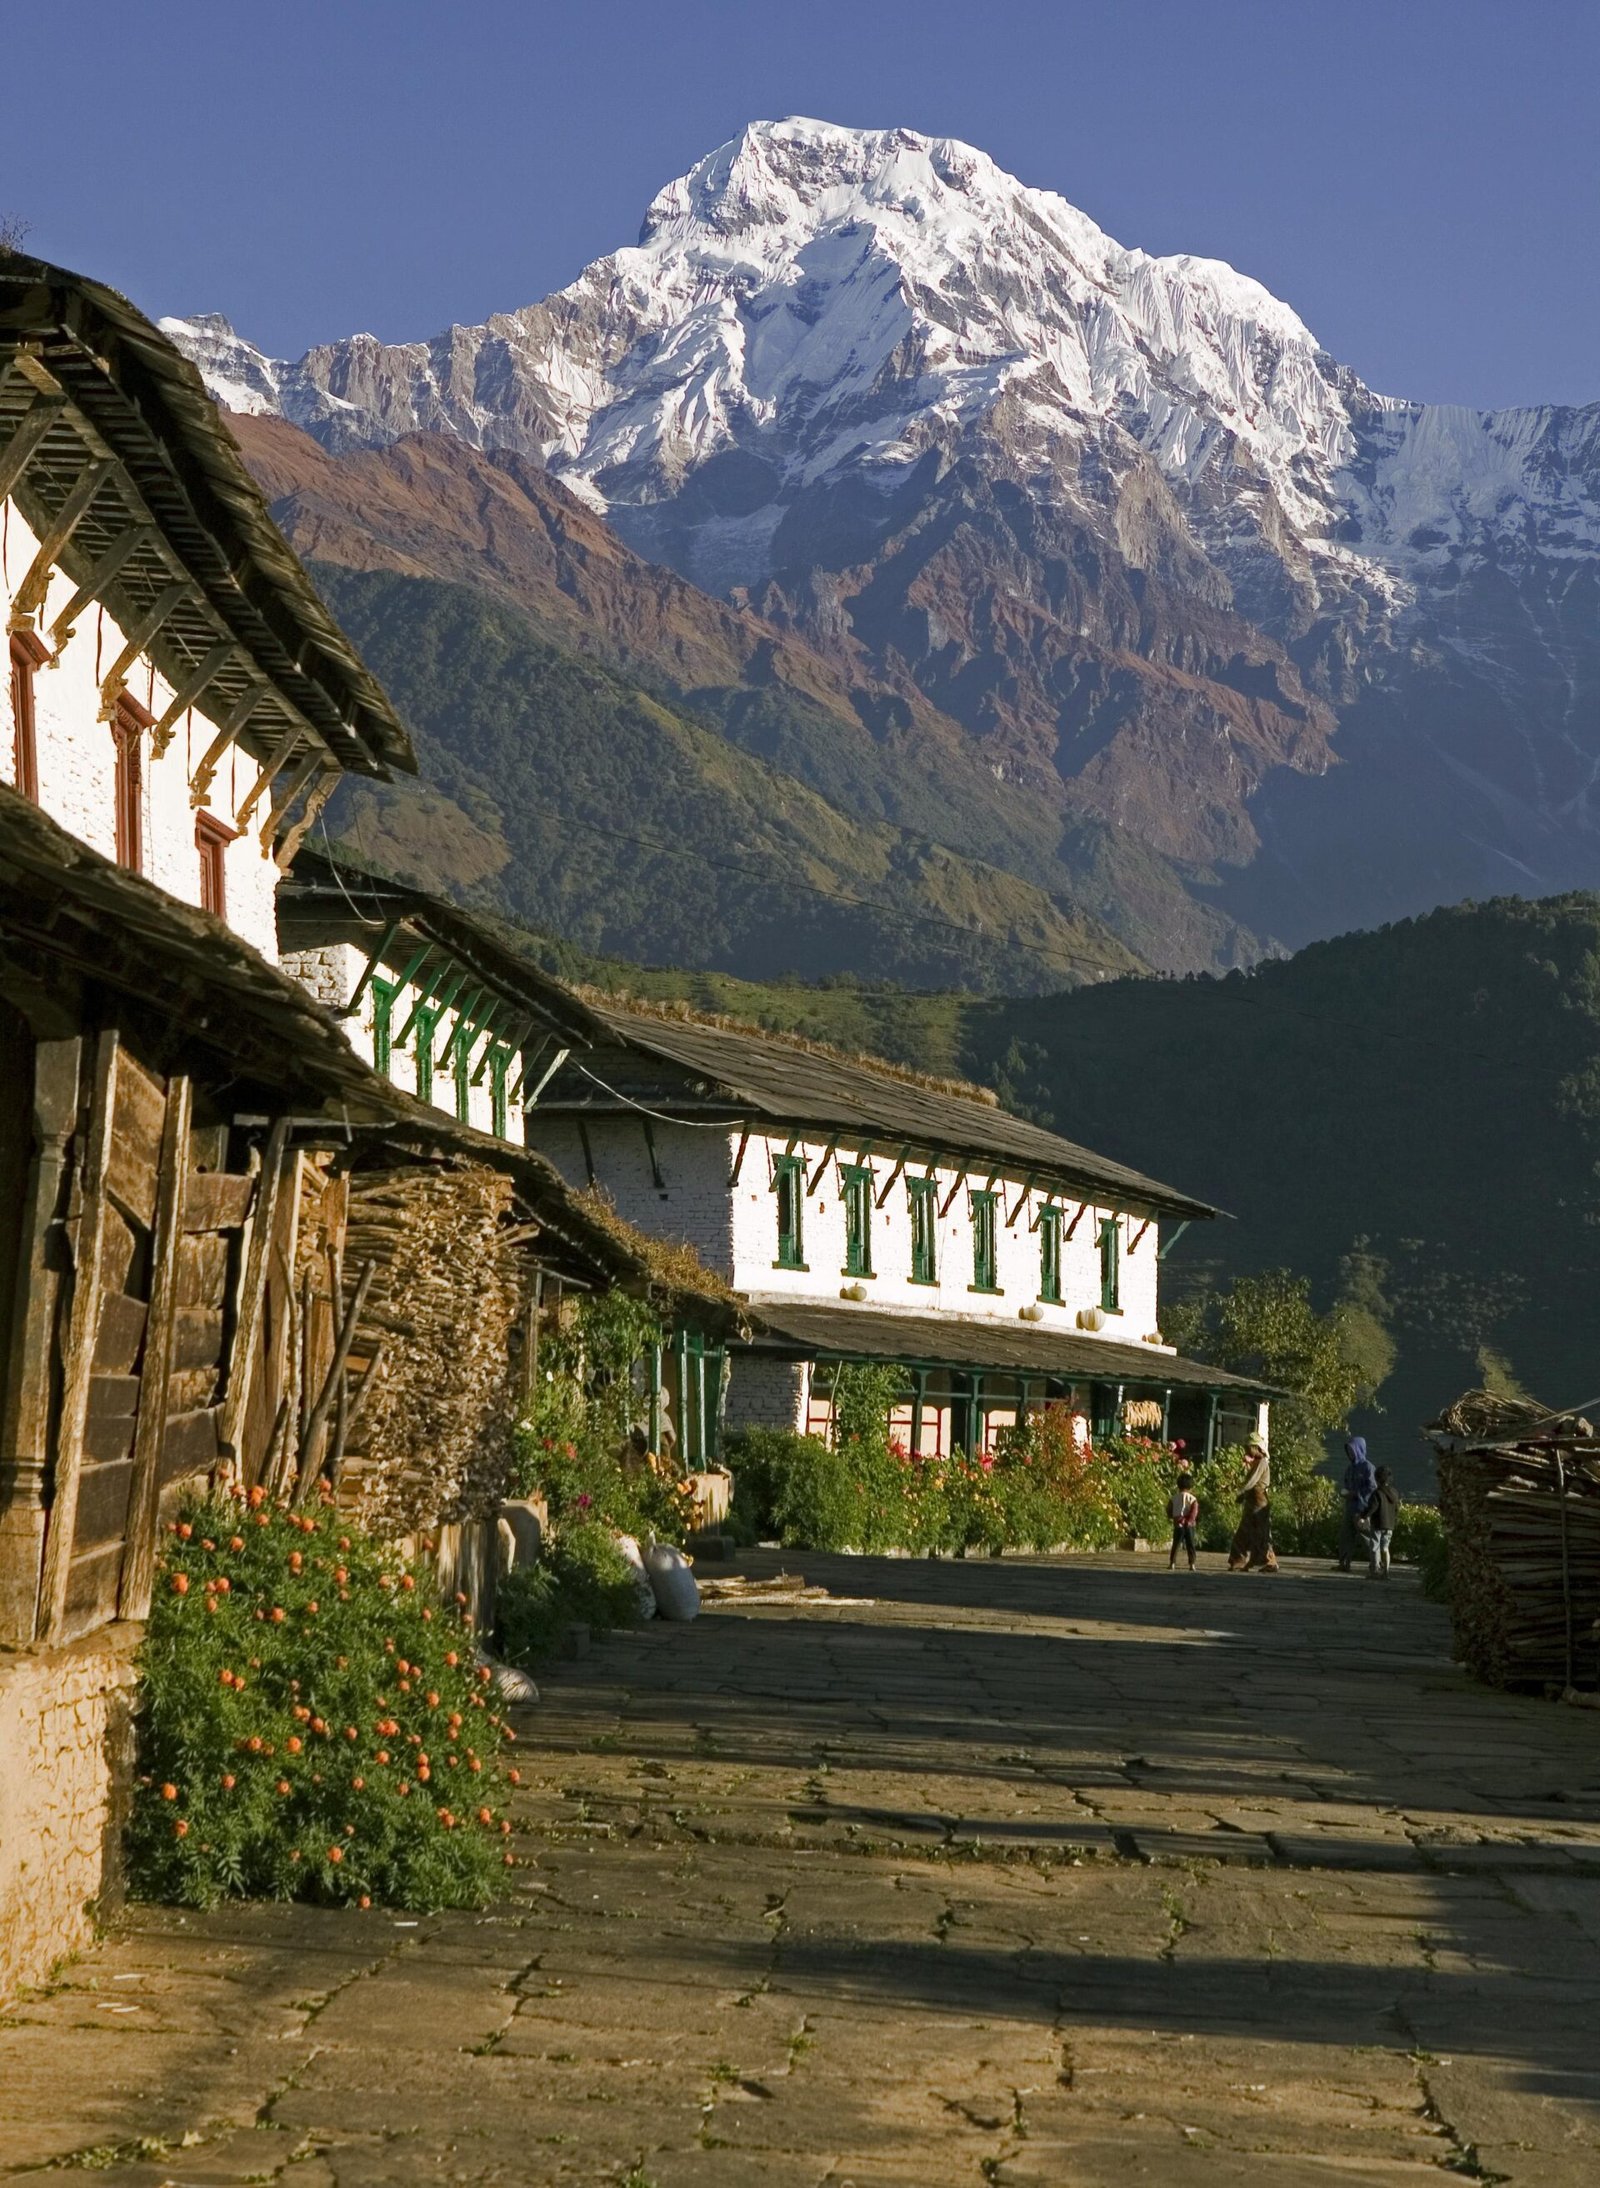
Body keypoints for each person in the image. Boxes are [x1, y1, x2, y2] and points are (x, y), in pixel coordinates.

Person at [1228, 1434, 1277, 1572]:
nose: (1246, 1450)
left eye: (1249, 1447)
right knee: (1245, 1532)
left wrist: (1241, 1492)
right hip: (1252, 1501)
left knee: (1260, 1533)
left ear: (1257, 1447)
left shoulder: (1262, 1463)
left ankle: (1269, 1562)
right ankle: (1239, 1560)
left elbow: (1252, 1481)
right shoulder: (1256, 1463)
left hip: (1259, 1502)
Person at [1339, 1437, 1376, 1572]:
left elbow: (1372, 1488)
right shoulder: (1350, 1469)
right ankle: (1344, 1563)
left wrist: (1356, 1495)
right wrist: (1345, 1493)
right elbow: (1346, 1484)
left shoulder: (1368, 1467)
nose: (1350, 1453)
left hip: (1362, 1509)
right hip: (1350, 1508)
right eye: (1348, 1451)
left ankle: (1377, 1563)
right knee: (1346, 1536)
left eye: (1352, 1450)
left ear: (1359, 1450)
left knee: (1366, 1537)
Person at [1366, 1464, 1400, 1578]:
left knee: (1375, 1547)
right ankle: (1386, 1572)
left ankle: (1375, 1570)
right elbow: (1396, 1509)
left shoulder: (1377, 1493)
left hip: (1377, 1524)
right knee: (1385, 1548)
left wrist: (1363, 1516)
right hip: (1389, 1525)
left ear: (1377, 1479)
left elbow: (1372, 1507)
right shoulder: (1395, 1493)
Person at [1167, 1472, 1199, 1571]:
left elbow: (1169, 1510)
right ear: (1190, 1486)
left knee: (1176, 1544)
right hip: (1189, 1525)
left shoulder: (1174, 1498)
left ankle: (1172, 1563)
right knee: (1191, 1545)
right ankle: (1192, 1564)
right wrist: (1190, 1520)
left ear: (1178, 1485)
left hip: (1178, 1523)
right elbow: (1194, 1511)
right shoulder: (1192, 1499)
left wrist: (1172, 1517)